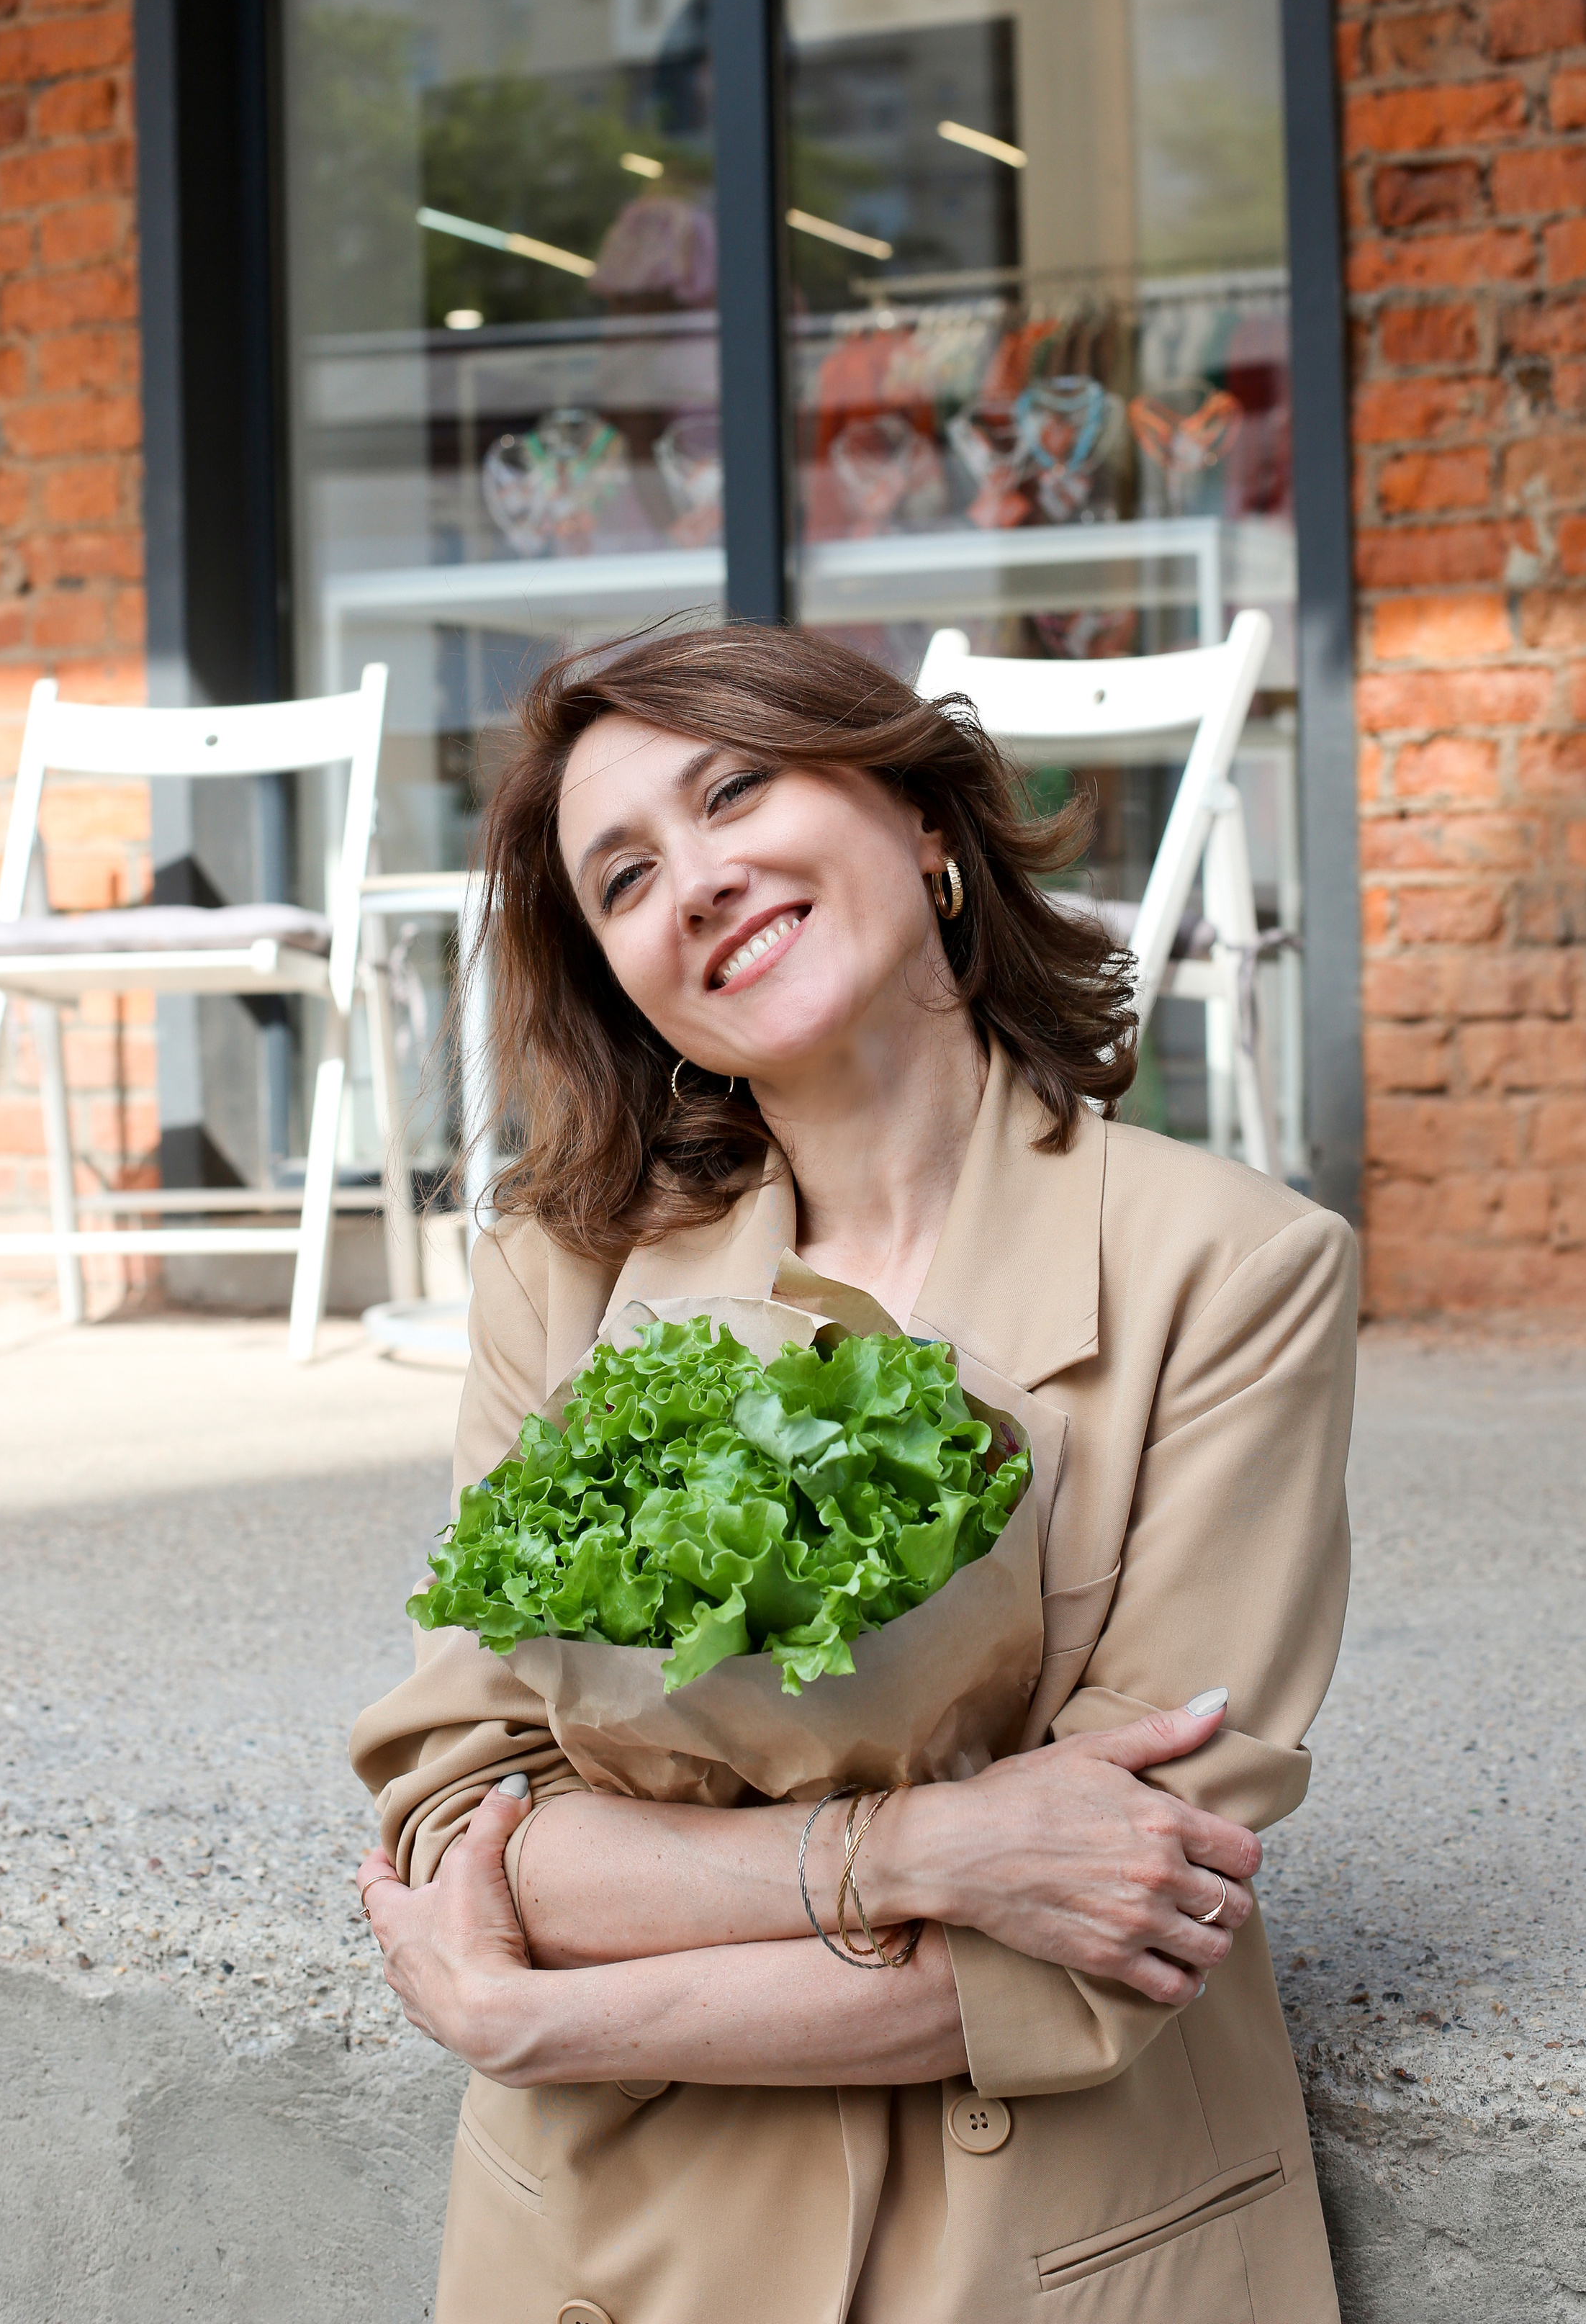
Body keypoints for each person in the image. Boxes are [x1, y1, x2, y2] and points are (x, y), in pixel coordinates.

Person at [352, 621, 1356, 2324]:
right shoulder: (564, 1276)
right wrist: (916, 1856)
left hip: (1043, 2241)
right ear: (621, 978)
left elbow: (1122, 1924)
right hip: (612, 2245)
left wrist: (546, 2020)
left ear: (923, 821)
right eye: (622, 879)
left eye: (734, 788)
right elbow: (473, 1819)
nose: (697, 883)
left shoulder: (1231, 1269)